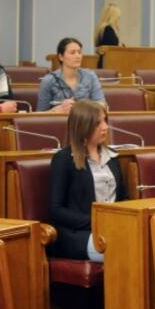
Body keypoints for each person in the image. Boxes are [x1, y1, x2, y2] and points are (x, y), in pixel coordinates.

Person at [48, 100, 126, 261]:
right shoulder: (63, 159)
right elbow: (56, 210)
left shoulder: (112, 157)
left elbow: (124, 199)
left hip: (113, 229)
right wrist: (96, 222)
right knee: (124, 249)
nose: (105, 127)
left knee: (144, 244)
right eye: (98, 123)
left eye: (105, 120)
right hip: (78, 235)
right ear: (83, 126)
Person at [38, 37, 105, 114]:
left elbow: (102, 104)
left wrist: (82, 107)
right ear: (61, 57)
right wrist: (56, 111)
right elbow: (40, 115)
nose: (77, 56)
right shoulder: (48, 81)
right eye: (72, 52)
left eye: (79, 52)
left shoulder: (90, 76)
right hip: (59, 123)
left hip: (85, 123)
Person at [95, 3, 124, 68]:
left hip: (103, 62)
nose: (118, 20)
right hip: (108, 64)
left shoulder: (101, 28)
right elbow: (112, 47)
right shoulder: (107, 29)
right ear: (112, 16)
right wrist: (120, 45)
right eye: (118, 17)